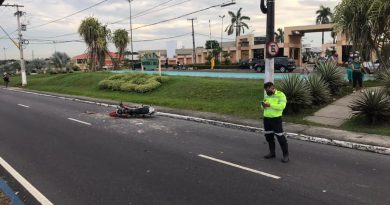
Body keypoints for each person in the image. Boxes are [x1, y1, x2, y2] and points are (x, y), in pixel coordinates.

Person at [261, 82, 289, 163]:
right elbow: (262, 107)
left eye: (268, 89)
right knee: (269, 137)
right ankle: (272, 153)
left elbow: (282, 106)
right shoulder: (266, 95)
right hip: (266, 119)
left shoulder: (280, 95)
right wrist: (263, 105)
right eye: (265, 90)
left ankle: (286, 155)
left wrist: (270, 105)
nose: (266, 91)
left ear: (272, 87)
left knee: (280, 137)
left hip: (276, 119)